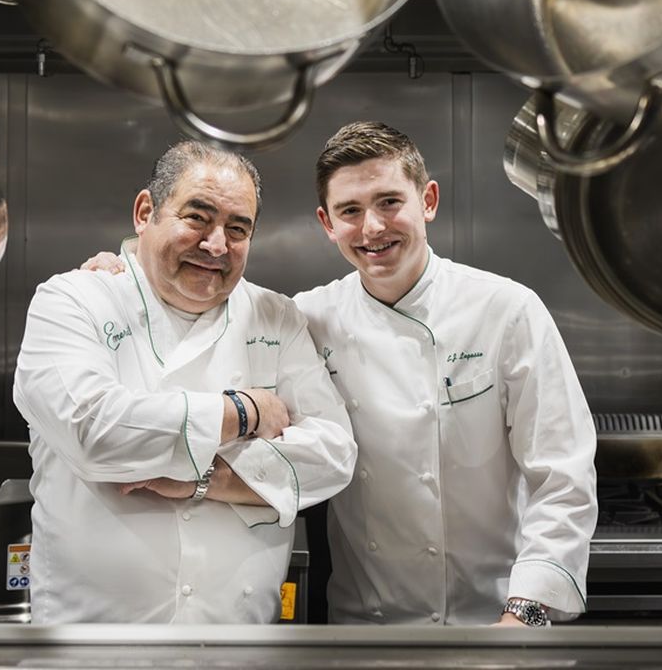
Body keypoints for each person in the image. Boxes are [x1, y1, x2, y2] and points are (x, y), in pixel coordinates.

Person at [82, 122, 597, 627]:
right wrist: (126, 272)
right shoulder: (305, 318)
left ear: (429, 201)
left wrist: (526, 615)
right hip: (364, 627)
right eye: (350, 211)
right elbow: (204, 291)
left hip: (498, 618)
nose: (372, 228)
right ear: (328, 224)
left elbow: (563, 473)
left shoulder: (507, 310)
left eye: (389, 202)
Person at [11, 140, 357, 624]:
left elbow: (333, 455)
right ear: (145, 211)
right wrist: (243, 413)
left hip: (236, 640)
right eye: (197, 217)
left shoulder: (274, 316)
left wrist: (205, 480)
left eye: (238, 229)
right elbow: (93, 431)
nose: (217, 245)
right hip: (96, 645)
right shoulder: (73, 300)